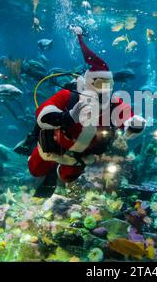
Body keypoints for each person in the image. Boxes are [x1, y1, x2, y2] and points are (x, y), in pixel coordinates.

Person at [27, 27, 145, 196]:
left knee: (68, 177)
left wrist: (134, 125)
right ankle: (45, 167)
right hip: (54, 147)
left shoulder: (112, 103)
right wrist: (67, 117)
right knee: (35, 170)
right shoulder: (68, 96)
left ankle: (58, 174)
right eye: (98, 84)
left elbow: (128, 115)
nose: (103, 90)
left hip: (81, 155)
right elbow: (42, 113)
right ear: (86, 83)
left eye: (108, 85)